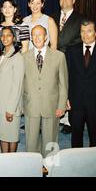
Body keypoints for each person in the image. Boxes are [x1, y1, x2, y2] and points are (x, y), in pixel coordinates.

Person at [66, 19, 96, 147]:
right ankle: (77, 162)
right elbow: (67, 77)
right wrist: (66, 98)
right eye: (82, 31)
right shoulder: (71, 51)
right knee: (76, 136)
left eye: (89, 31)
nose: (85, 35)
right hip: (76, 103)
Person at [22, 25, 68, 157]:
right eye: (34, 35)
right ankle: (33, 165)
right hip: (31, 104)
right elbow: (21, 83)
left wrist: (61, 105)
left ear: (46, 37)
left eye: (40, 34)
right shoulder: (24, 57)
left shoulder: (59, 56)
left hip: (52, 105)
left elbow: (63, 84)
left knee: (50, 140)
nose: (36, 38)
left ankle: (49, 165)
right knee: (31, 140)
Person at [51, 0, 85, 134]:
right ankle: (53, 117)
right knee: (53, 87)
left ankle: (68, 121)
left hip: (71, 59)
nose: (64, 1)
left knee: (69, 88)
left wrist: (61, 49)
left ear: (74, 1)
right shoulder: (52, 17)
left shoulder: (81, 19)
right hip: (52, 57)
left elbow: (81, 39)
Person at [0, 27, 25, 153]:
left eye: (8, 35)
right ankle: (4, 163)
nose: (5, 38)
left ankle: (12, 163)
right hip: (0, 105)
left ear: (14, 38)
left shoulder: (17, 57)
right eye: (3, 35)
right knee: (3, 136)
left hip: (10, 106)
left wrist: (11, 109)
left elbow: (17, 85)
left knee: (12, 137)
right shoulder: (0, 57)